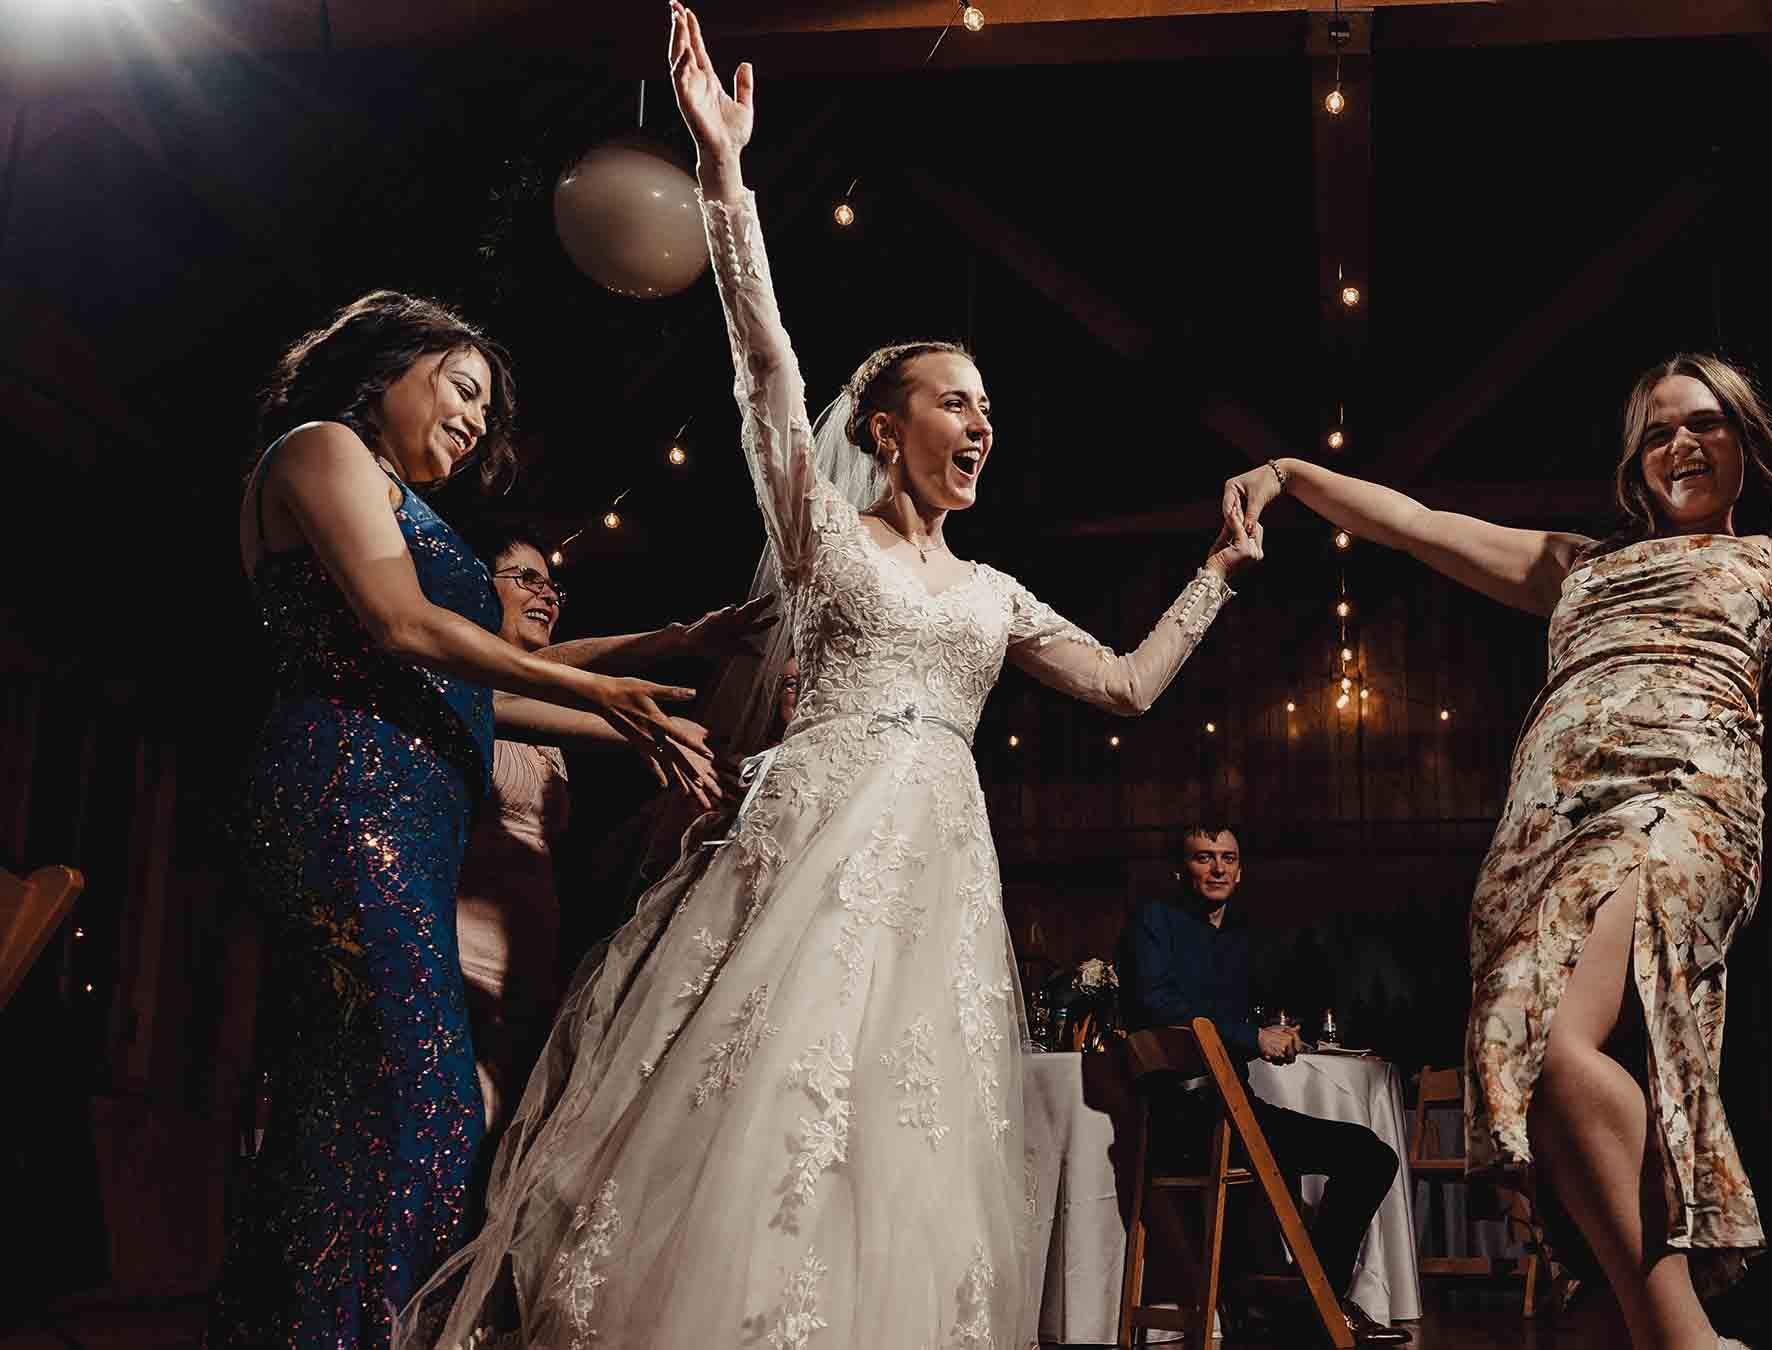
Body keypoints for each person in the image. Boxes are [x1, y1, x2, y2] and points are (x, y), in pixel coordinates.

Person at [395, 8, 1258, 1346]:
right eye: (954, 398)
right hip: (812, 846)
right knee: (770, 1103)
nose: (980, 419)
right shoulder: (821, 538)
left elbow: (1133, 687)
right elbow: (763, 370)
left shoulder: (995, 595)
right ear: (882, 423)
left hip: (939, 871)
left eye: (987, 405)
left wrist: (1218, 570)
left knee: (896, 1135)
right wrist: (728, 179)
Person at [1220, 97, 1772, 1350]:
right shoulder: (1574, 563)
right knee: (1541, 1082)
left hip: (1679, 813)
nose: (1682, 441)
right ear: (1635, 460)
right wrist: (1291, 474)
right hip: (1535, 841)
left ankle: (1686, 1336)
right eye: (1658, 429)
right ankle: (1630, 1318)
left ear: (1741, 445)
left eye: (1704, 423)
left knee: (1571, 1051)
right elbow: (1414, 523)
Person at [213, 293, 707, 1349]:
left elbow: (480, 694)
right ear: (387, 364)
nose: (479, 421)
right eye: (463, 387)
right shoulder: (321, 448)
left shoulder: (396, 491)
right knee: (429, 1107)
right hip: (348, 794)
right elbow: (398, 624)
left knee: (345, 1109)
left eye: (487, 407)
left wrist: (640, 717)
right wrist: (607, 694)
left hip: (408, 819)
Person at [452, 529, 760, 1130]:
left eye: (551, 584)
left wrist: (681, 639)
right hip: (459, 953)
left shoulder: (531, 693)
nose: (546, 594)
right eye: (525, 578)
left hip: (529, 964)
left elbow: (546, 668)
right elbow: (513, 685)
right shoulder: (461, 685)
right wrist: (649, 729)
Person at [1118, 824, 1406, 1344]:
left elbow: (1242, 1016)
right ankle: (1317, 1306)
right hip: (1191, 1118)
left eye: (1227, 857)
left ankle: (1309, 1301)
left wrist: (1274, 1035)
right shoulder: (1154, 921)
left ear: (1241, 868)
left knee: (1368, 1153)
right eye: (1204, 858)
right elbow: (1158, 1007)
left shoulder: (1239, 938)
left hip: (1235, 1109)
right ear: (1181, 869)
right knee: (1367, 1155)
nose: (1218, 868)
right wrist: (1253, 1036)